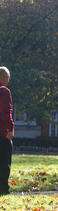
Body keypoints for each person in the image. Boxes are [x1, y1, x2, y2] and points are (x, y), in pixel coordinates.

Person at [0, 66, 14, 196]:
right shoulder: (4, 91)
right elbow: (6, 112)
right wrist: (10, 129)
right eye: (7, 77)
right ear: (3, 77)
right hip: (2, 132)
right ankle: (3, 188)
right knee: (4, 162)